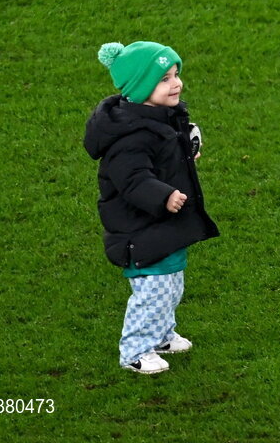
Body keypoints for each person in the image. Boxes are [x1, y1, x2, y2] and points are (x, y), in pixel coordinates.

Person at [84, 40, 219, 374]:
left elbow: (170, 149)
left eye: (175, 74)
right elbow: (131, 180)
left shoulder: (162, 117)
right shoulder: (129, 138)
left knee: (171, 285)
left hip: (164, 228)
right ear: (142, 87)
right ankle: (134, 350)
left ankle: (160, 336)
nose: (176, 83)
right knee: (152, 291)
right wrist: (163, 196)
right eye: (164, 78)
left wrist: (189, 150)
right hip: (142, 229)